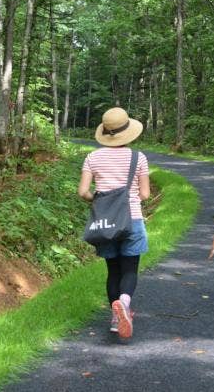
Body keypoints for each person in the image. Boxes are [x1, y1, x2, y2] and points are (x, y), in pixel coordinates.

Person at [78, 107, 149, 338]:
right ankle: (125, 303)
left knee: (113, 271)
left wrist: (100, 199)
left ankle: (114, 317)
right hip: (133, 219)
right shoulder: (139, 158)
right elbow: (145, 194)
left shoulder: (92, 157)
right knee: (130, 269)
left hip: (106, 222)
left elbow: (83, 192)